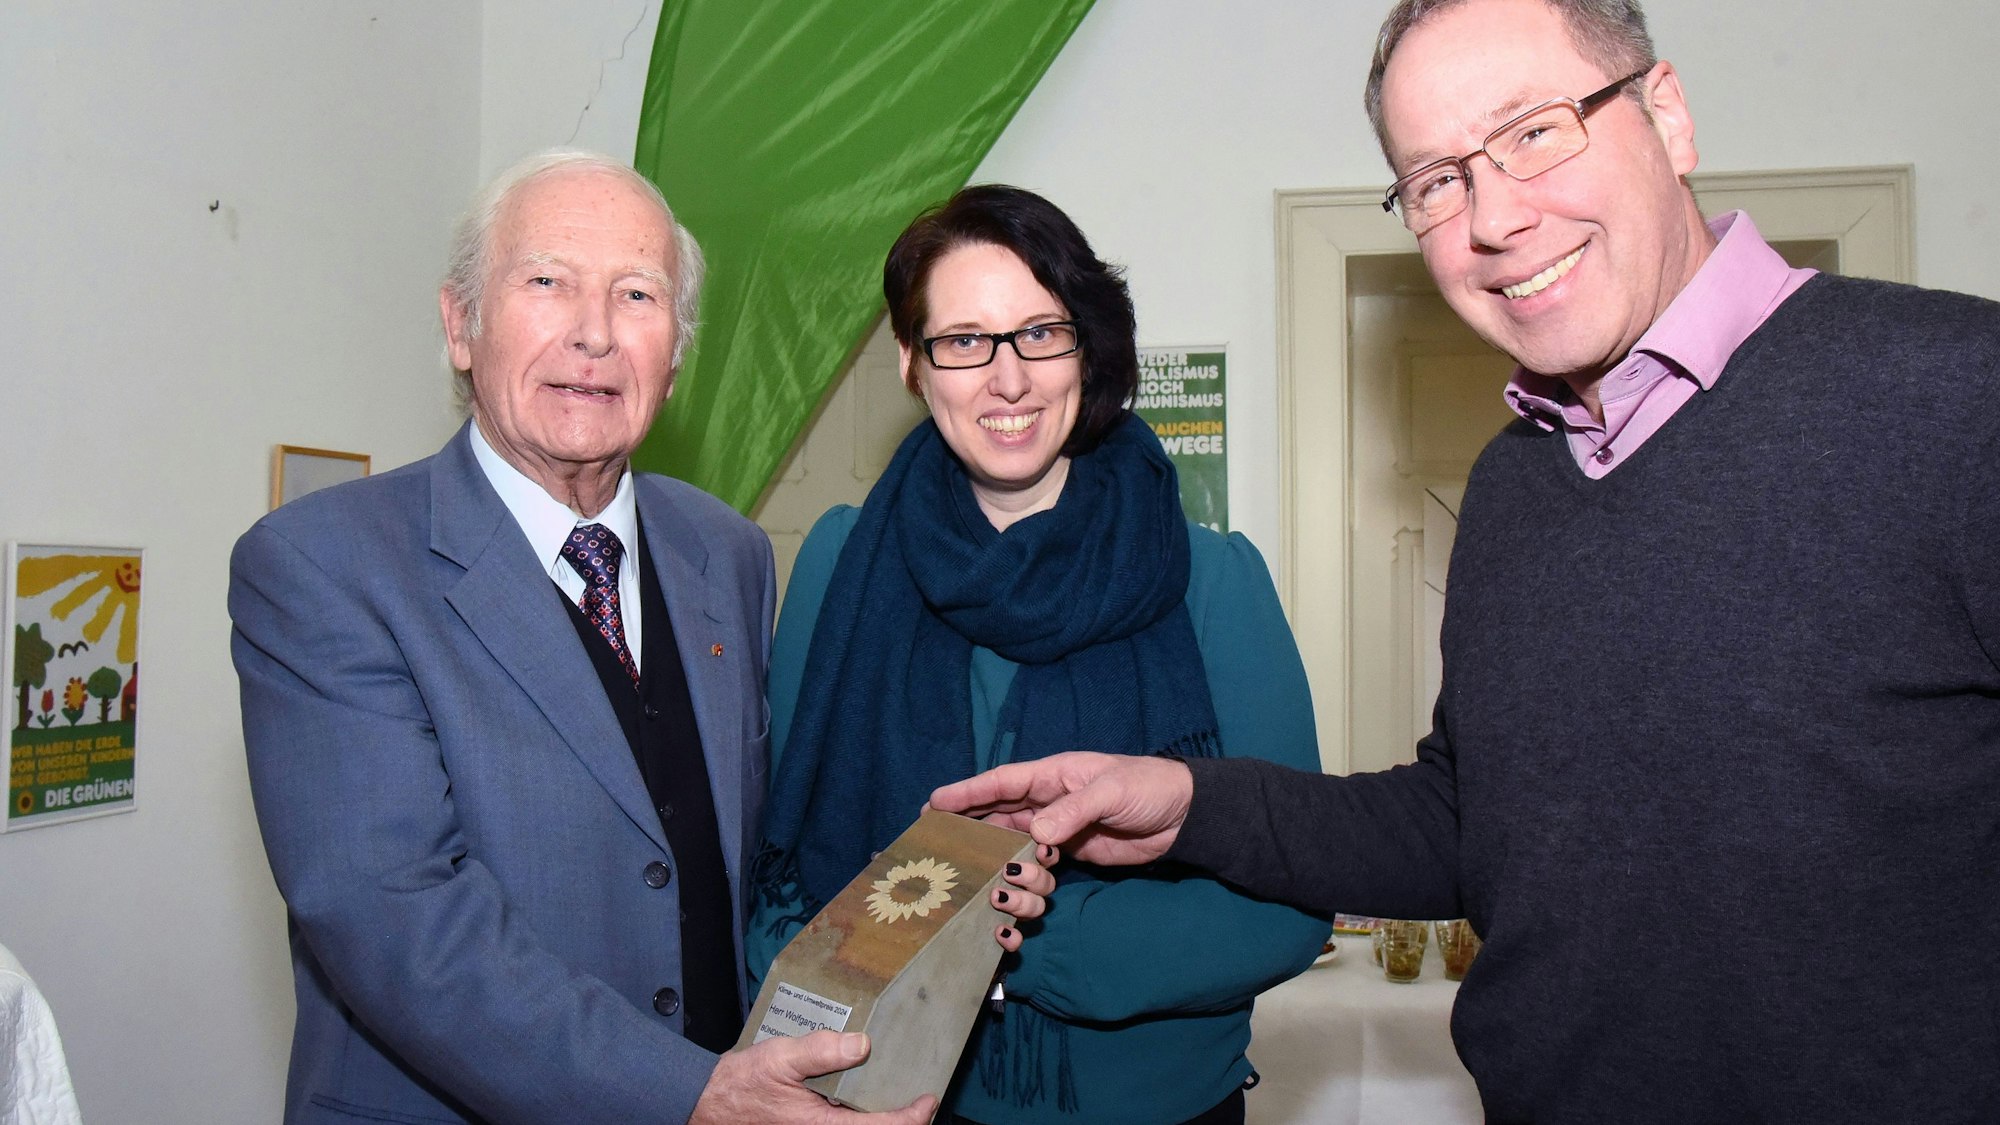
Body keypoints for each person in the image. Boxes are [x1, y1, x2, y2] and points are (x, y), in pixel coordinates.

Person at [933, 2, 2000, 1123]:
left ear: (1668, 114)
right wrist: (1186, 803)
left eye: (1534, 131)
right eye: (1436, 181)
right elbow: (1465, 822)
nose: (1494, 218)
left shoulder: (1957, 399)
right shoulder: (1514, 485)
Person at [231, 150, 947, 1125]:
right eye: (546, 282)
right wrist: (688, 1094)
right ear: (459, 324)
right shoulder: (324, 567)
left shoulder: (727, 553)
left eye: (637, 295)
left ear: (676, 355)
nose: (596, 334)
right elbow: (397, 920)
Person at [745, 185, 1329, 1125]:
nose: (1008, 379)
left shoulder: (1213, 582)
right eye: (964, 340)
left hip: (1154, 1109)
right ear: (911, 361)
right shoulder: (839, 563)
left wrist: (1009, 941)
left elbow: (1291, 901)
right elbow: (779, 868)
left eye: (1040, 333)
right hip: (877, 1096)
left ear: (1086, 348)